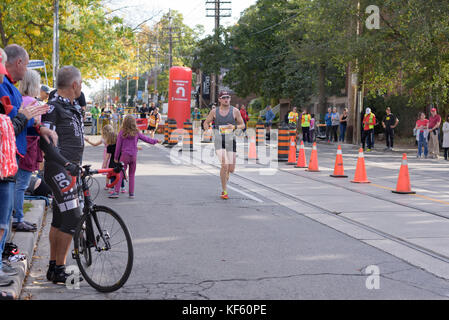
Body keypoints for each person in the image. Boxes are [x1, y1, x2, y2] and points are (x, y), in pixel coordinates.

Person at [0, 52, 50, 289]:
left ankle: (2, 261)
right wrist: (24, 116)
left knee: (4, 217)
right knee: (2, 218)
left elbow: (12, 123)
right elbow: (8, 127)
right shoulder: (5, 87)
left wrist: (33, 122)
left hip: (10, 158)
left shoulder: (9, 86)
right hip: (6, 160)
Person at [39, 66, 86, 284]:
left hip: (70, 168)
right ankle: (60, 269)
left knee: (59, 219)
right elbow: (46, 144)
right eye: (81, 83)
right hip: (60, 169)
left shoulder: (72, 106)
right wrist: (67, 163)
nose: (82, 86)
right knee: (74, 218)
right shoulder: (53, 107)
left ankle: (52, 268)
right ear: (74, 85)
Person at [13, 69, 43, 232]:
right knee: (22, 185)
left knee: (14, 184)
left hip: (18, 144)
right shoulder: (34, 102)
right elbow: (37, 125)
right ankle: (18, 218)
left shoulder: (18, 99)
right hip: (29, 147)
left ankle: (15, 214)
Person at [203, 91, 245, 200]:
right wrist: (208, 130)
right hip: (218, 140)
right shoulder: (214, 112)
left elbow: (242, 124)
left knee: (231, 169)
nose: (226, 99)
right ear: (220, 100)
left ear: (230, 99)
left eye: (228, 97)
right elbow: (206, 122)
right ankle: (224, 191)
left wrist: (234, 127)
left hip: (231, 140)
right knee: (224, 165)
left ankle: (227, 173)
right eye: (224, 97)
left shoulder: (235, 111)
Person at [110, 115, 160, 199]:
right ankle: (131, 194)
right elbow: (147, 139)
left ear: (124, 122)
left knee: (121, 173)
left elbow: (118, 146)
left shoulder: (122, 132)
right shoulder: (136, 132)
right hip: (133, 156)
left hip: (124, 156)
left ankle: (116, 192)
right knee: (132, 174)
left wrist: (115, 157)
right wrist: (156, 141)